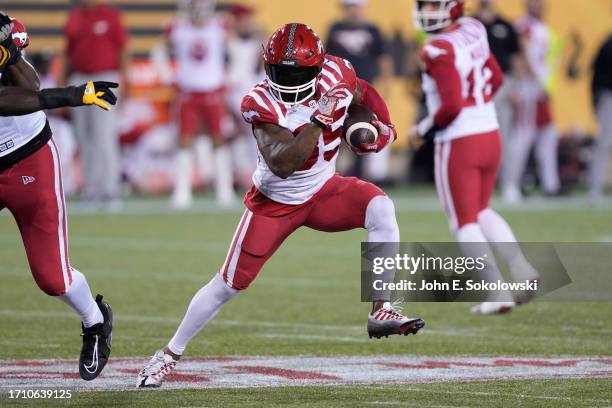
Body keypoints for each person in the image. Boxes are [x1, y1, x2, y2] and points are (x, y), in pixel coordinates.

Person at [136, 23, 425, 388]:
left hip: (323, 190)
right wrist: (322, 117)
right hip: (276, 202)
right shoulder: (257, 101)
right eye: (281, 71)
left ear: (317, 67)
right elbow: (284, 164)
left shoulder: (337, 71)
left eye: (297, 72)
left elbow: (362, 90)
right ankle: (169, 354)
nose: (288, 80)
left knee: (382, 209)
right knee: (228, 284)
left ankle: (380, 307)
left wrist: (382, 125)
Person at [0, 12, 117, 380]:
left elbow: (29, 89)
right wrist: (73, 94)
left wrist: (7, 51)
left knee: (53, 278)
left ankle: (94, 321)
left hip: (29, 160)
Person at [409, 0, 539, 315]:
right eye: (424, 6)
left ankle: (497, 292)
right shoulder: (474, 28)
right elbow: (495, 78)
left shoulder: (436, 48)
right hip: (489, 132)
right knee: (481, 211)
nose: (427, 12)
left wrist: (422, 128)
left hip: (459, 141)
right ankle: (523, 272)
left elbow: (451, 106)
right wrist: (477, 108)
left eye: (432, 6)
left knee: (464, 221)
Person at [153, 0, 235, 209]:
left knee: (218, 139)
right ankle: (182, 190)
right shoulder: (177, 28)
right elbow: (159, 51)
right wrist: (167, 76)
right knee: (184, 140)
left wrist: (230, 78)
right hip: (188, 91)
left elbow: (236, 51)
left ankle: (223, 190)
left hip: (212, 90)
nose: (198, 12)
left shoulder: (220, 26)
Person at [64, 0, 129, 210]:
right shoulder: (74, 17)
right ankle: (91, 189)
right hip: (80, 78)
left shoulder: (110, 15)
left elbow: (123, 50)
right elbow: (68, 54)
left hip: (105, 78)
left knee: (105, 136)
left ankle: (110, 189)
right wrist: (62, 85)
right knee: (84, 136)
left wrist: (126, 81)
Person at [326, 0, 394, 184]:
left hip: (363, 90)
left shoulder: (373, 30)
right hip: (338, 89)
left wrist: (386, 84)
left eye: (354, 7)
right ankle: (331, 173)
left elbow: (383, 58)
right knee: (330, 129)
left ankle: (363, 172)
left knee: (364, 128)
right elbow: (326, 60)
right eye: (349, 7)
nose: (352, 11)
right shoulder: (335, 28)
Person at [503, 0, 561, 203]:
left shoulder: (544, 29)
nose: (539, 5)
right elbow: (522, 55)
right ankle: (511, 185)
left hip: (541, 92)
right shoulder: (524, 26)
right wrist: (533, 80)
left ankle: (551, 185)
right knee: (522, 138)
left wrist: (545, 86)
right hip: (528, 90)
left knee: (549, 136)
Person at [473, 0, 521, 190]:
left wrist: (517, 87)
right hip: (475, 85)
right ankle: (476, 184)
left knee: (504, 137)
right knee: (474, 137)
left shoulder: (506, 25)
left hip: (502, 84)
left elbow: (516, 57)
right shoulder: (470, 25)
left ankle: (508, 184)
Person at [225, 4, 264, 187]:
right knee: (227, 138)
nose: (247, 23)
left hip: (253, 100)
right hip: (230, 99)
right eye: (243, 19)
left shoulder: (257, 43)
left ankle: (253, 179)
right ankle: (228, 180)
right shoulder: (227, 44)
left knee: (255, 140)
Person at [588, 34, 612, 203]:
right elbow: (596, 74)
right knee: (605, 142)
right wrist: (596, 99)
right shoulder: (608, 44)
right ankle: (595, 187)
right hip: (609, 95)